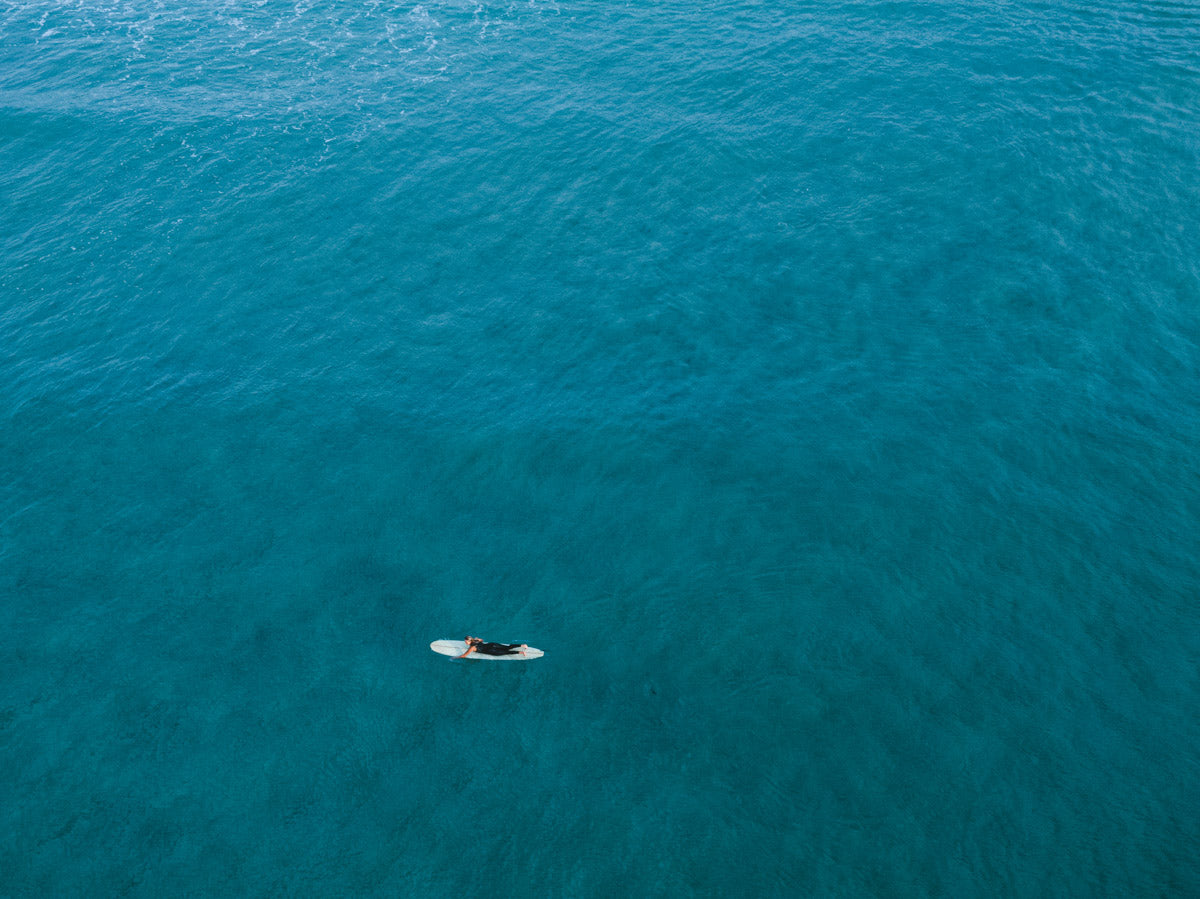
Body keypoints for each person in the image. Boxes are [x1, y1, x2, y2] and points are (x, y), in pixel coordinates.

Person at [457, 636, 528, 658]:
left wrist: (455, 657)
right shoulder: (475, 640)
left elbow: (464, 655)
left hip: (492, 651)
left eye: (465, 641)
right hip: (492, 644)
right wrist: (477, 639)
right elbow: (482, 640)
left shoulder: (472, 647)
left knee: (506, 652)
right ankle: (522, 645)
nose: (465, 642)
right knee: (507, 647)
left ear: (469, 641)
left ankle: (520, 652)